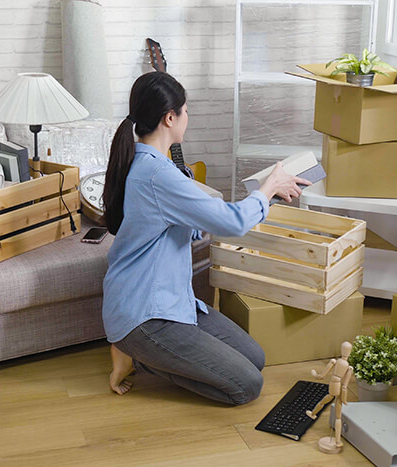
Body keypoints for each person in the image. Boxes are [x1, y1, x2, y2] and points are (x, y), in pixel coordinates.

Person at [102, 71, 310, 405]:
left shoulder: (145, 162)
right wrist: (269, 187)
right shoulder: (157, 174)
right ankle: (137, 355)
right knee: (246, 386)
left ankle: (145, 352)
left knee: (255, 358)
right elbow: (234, 222)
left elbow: (167, 222)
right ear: (170, 117)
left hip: (172, 301)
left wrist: (204, 216)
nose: (189, 116)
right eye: (185, 110)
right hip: (146, 315)